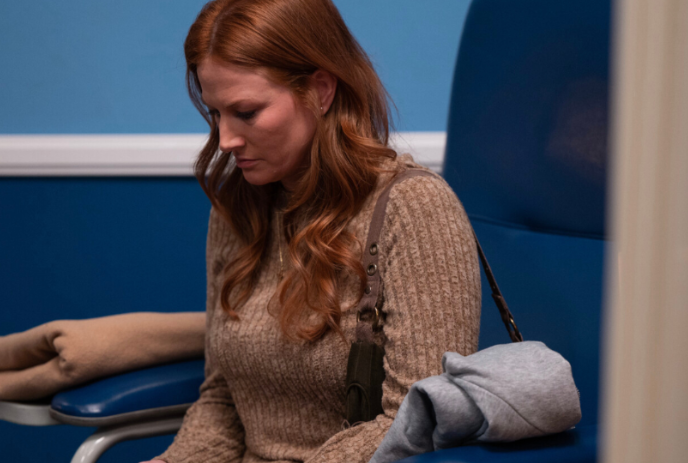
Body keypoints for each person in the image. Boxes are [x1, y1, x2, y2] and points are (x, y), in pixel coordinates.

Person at [143, 0, 481, 462]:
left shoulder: (413, 208)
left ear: (320, 90)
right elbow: (223, 402)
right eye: (215, 112)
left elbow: (416, 421)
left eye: (246, 112)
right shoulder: (237, 208)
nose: (225, 139)